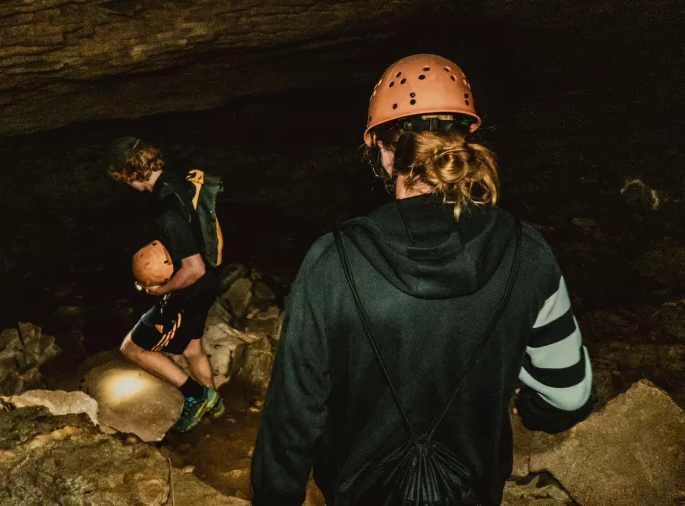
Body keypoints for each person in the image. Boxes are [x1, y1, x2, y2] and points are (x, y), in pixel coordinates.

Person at [251, 54, 594, 505]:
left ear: (380, 146)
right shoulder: (527, 252)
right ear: (466, 135)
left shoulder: (333, 261)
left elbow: (292, 419)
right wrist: (529, 408)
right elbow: (570, 396)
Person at [106, 137, 223, 432]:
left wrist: (162, 289)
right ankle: (215, 409)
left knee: (133, 349)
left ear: (131, 172)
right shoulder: (176, 183)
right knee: (192, 349)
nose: (123, 184)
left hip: (190, 288)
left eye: (122, 178)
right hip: (210, 281)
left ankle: (197, 395)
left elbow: (192, 268)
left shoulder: (167, 208)